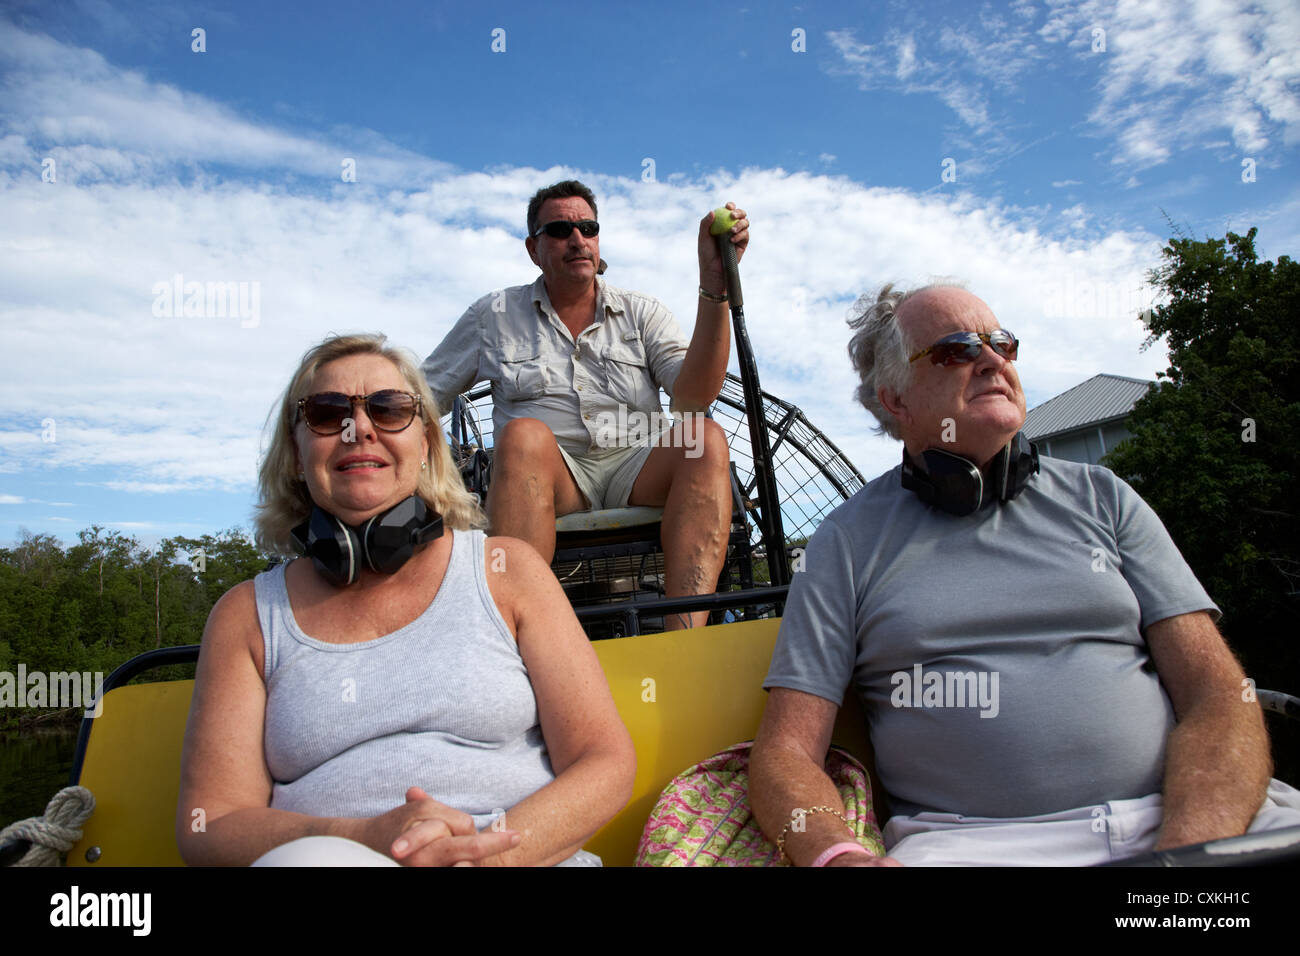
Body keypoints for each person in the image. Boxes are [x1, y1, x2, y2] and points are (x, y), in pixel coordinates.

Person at [749, 283, 1300, 867]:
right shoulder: (845, 542)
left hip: (1190, 819)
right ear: (896, 400)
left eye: (1002, 343)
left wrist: (1186, 855)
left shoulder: (1105, 498)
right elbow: (785, 752)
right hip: (971, 847)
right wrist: (837, 857)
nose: (992, 360)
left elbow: (1219, 694)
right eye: (956, 349)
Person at [176, 333, 635, 866]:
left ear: (427, 445)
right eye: (327, 413)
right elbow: (210, 824)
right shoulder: (246, 615)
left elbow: (603, 761)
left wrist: (491, 857)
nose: (359, 428)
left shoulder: (508, 572)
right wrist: (360, 838)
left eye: (389, 409)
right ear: (297, 456)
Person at [422, 180, 744, 628]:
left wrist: (715, 288)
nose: (577, 239)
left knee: (702, 437)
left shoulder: (641, 311)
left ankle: (683, 639)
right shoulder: (491, 316)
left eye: (587, 227)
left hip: (637, 467)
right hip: (553, 478)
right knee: (522, 435)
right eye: (559, 230)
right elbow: (420, 398)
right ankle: (525, 638)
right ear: (534, 249)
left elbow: (693, 398)